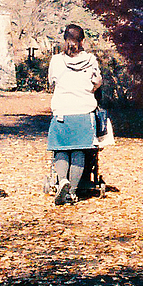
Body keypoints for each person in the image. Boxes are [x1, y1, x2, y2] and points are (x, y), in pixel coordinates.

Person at [45, 24, 102, 206]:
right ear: (82, 41)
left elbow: (52, 83)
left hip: (62, 111)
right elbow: (97, 82)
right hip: (83, 111)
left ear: (65, 40)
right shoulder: (91, 60)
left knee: (61, 149)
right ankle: (72, 192)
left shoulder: (56, 60)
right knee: (79, 151)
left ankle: (62, 180)